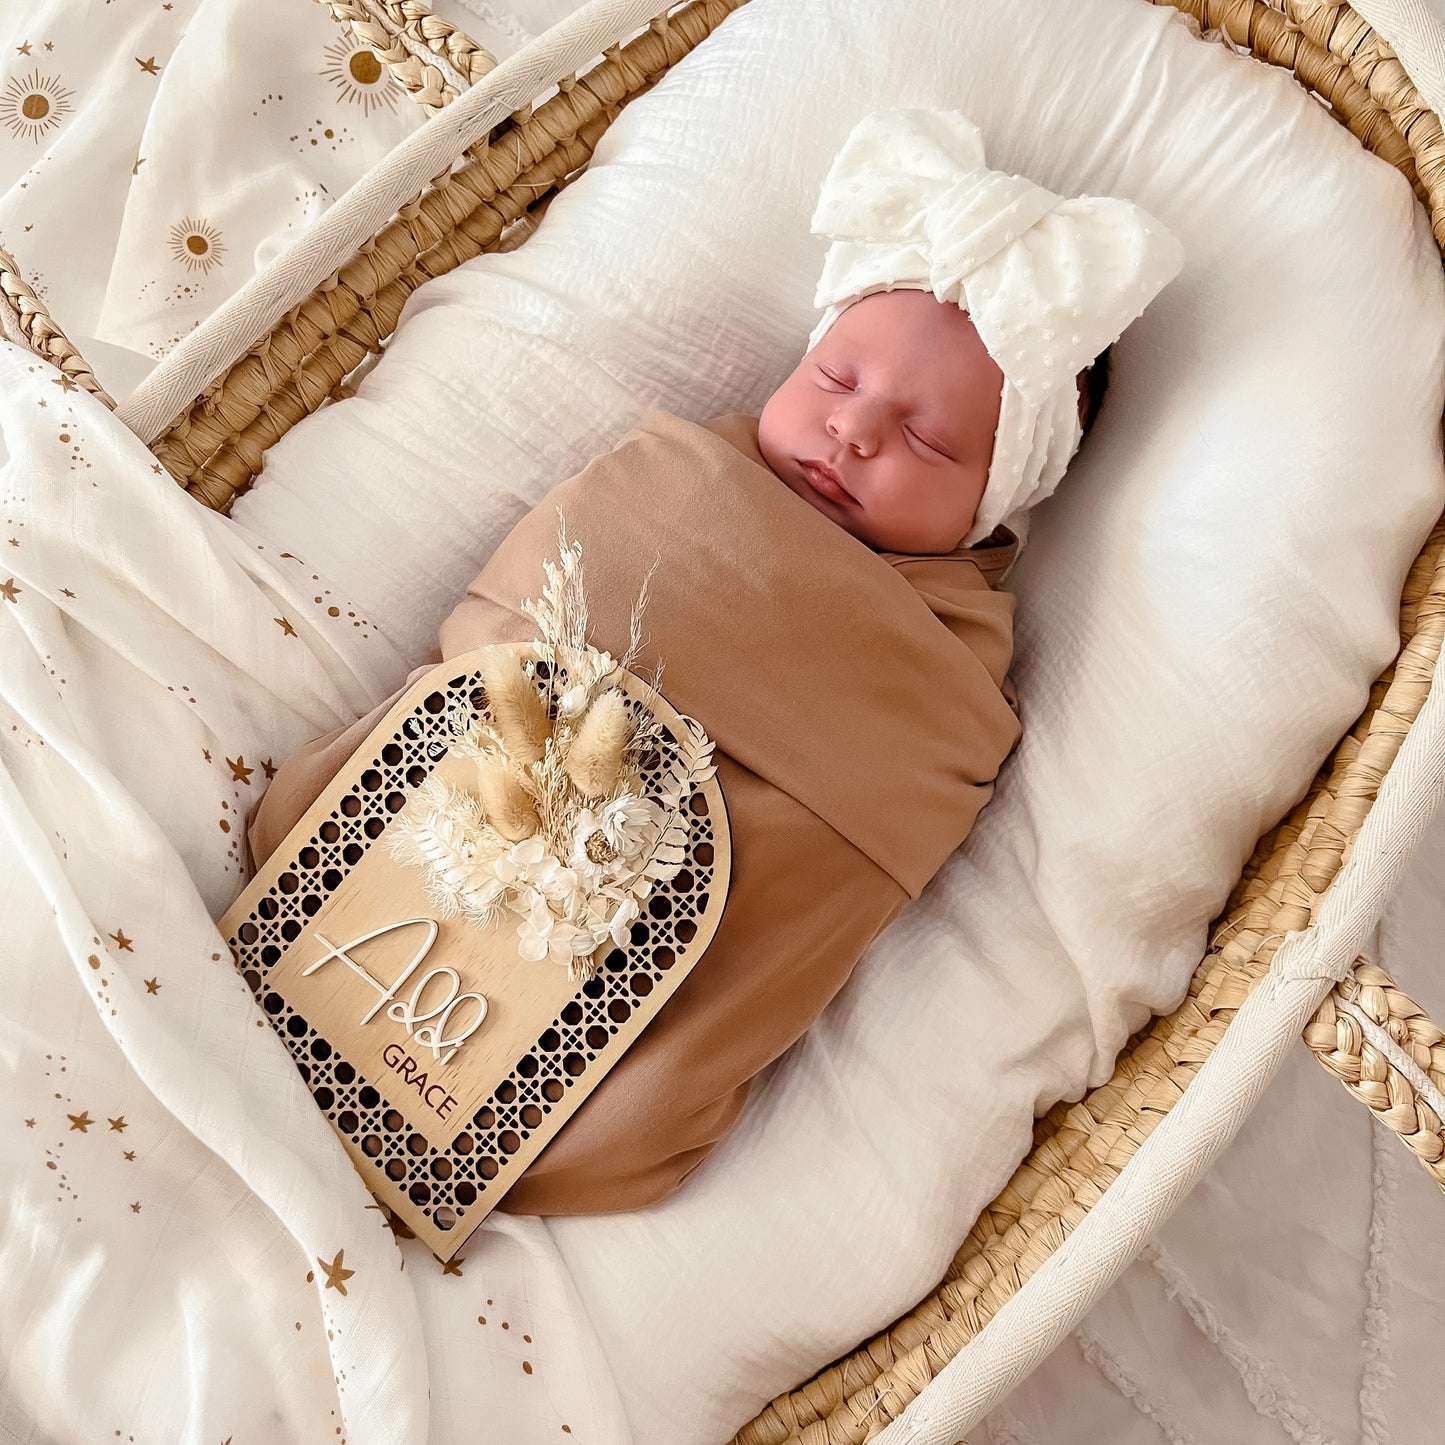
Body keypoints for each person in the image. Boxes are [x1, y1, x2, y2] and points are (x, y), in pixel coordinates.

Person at [243, 107, 1182, 1219]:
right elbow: (529, 600)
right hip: (509, 784)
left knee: (634, 1053)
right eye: (835, 378)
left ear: (995, 499)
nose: (855, 432)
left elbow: (853, 851)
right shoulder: (674, 476)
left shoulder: (947, 675)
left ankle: (537, 1093)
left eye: (928, 441)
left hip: (710, 899)